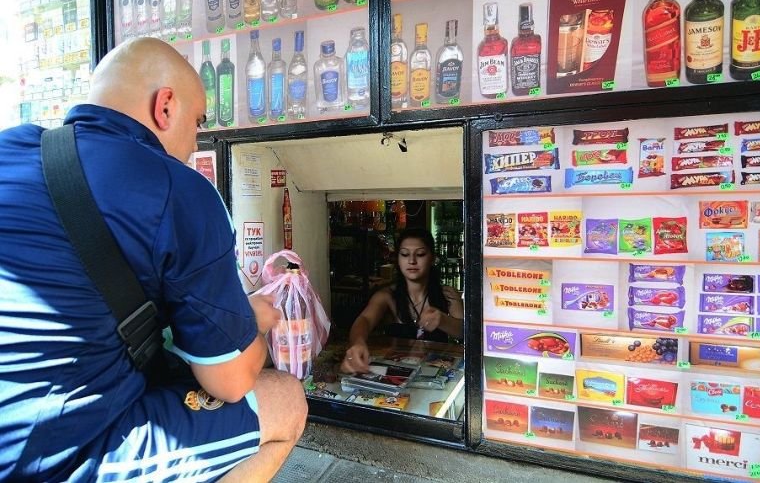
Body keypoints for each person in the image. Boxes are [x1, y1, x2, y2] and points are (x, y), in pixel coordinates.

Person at [0, 37, 307, 481]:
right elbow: (231, 380)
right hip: (54, 458)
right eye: (197, 122)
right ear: (165, 107)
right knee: (286, 399)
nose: (195, 143)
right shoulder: (178, 187)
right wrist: (254, 321)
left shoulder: (11, 147)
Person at [340, 228, 464, 374]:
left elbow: (463, 332)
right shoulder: (387, 296)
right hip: (396, 375)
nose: (412, 261)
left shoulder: (448, 295)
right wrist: (358, 343)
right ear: (397, 259)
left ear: (432, 258)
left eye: (420, 254)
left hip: (436, 374)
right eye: (405, 254)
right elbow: (364, 320)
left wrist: (443, 320)